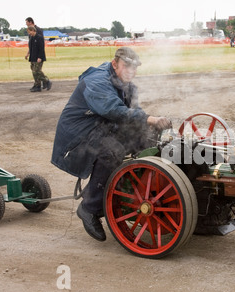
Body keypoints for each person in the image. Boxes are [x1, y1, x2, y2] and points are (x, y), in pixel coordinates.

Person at [51, 47, 172, 242]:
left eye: (134, 68)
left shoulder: (129, 87)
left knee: (146, 138)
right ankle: (89, 208)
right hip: (79, 135)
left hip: (101, 127)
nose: (130, 72)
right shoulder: (96, 81)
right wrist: (150, 118)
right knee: (112, 151)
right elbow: (113, 110)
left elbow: (134, 115)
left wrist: (152, 126)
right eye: (126, 67)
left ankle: (136, 188)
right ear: (115, 64)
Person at [26, 26, 51, 92]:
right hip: (33, 57)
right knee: (34, 72)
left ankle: (47, 81)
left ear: (33, 30)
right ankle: (37, 85)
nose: (29, 33)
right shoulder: (31, 38)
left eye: (29, 32)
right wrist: (27, 54)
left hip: (38, 58)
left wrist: (40, 57)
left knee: (37, 71)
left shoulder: (39, 37)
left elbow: (41, 48)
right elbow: (30, 48)